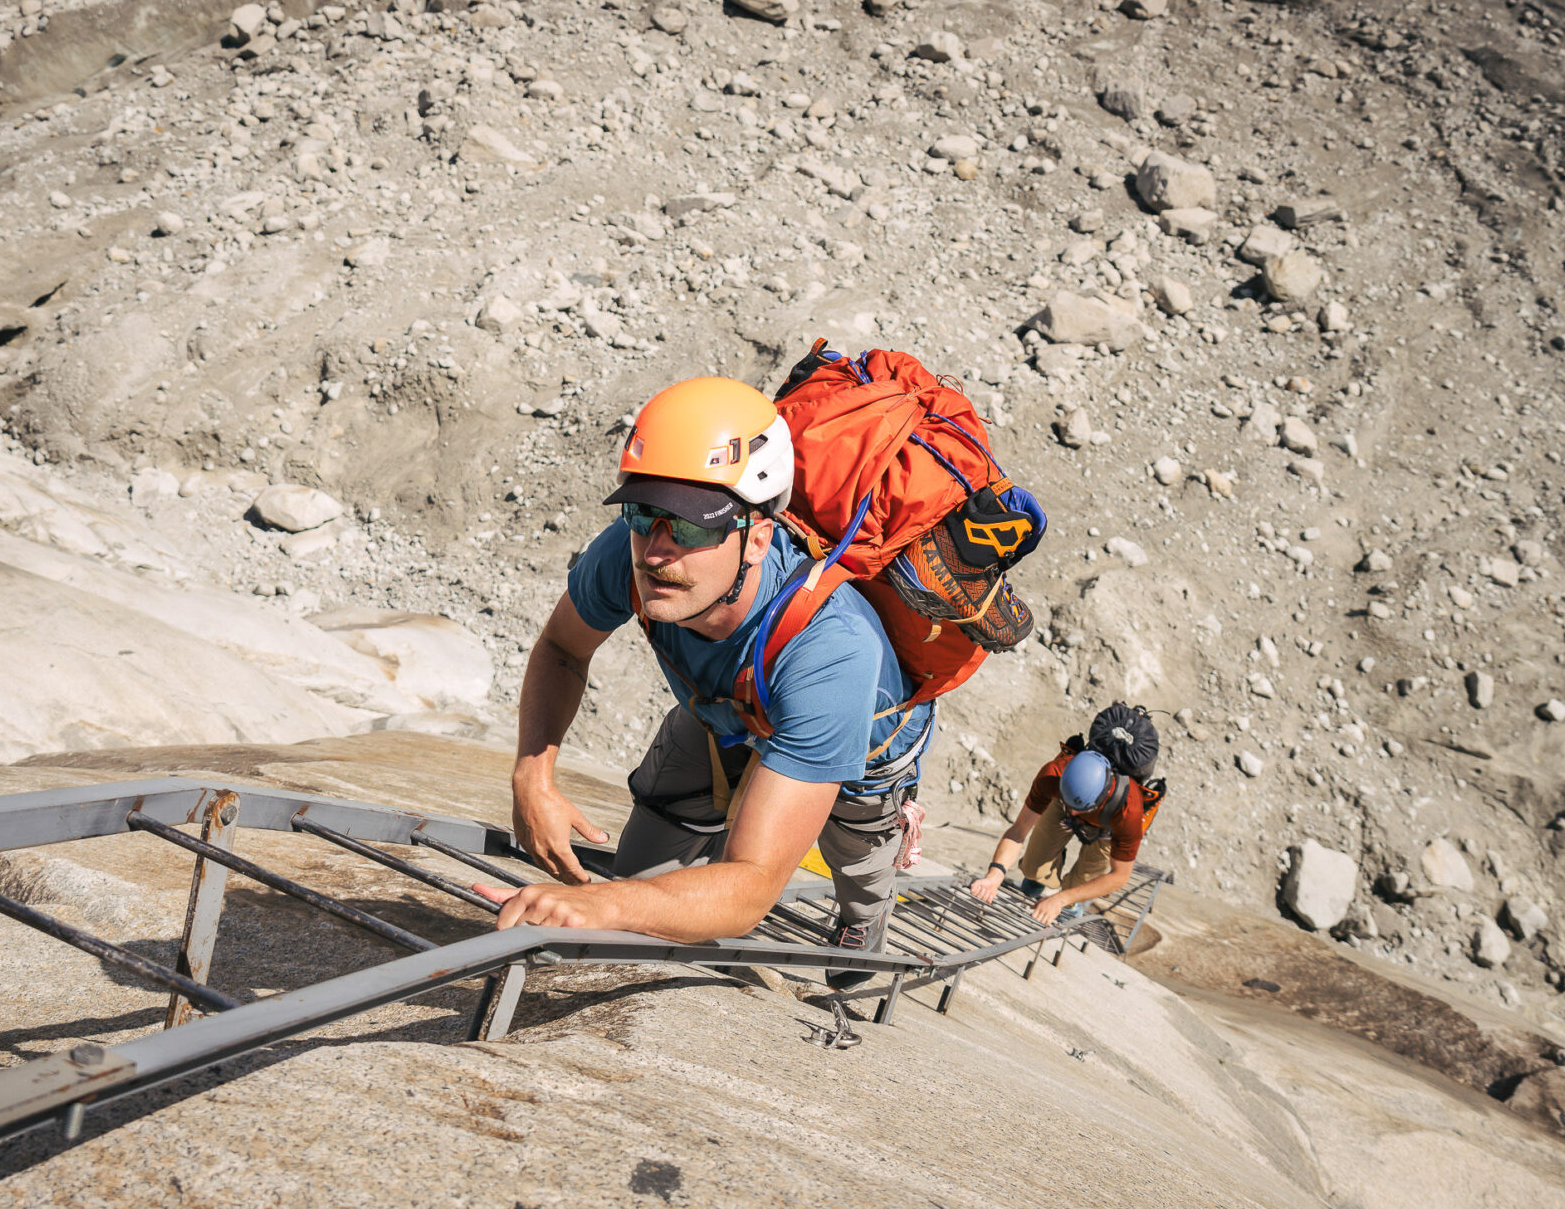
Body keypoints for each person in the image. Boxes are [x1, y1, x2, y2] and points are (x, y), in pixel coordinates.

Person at [476, 376, 932, 988]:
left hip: (861, 741)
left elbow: (750, 889)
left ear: (759, 537)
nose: (658, 552)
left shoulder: (832, 653)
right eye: (646, 514)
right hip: (729, 707)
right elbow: (561, 648)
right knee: (641, 885)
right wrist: (533, 778)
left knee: (857, 858)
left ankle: (863, 921)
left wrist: (605, 906)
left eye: (692, 528)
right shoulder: (631, 552)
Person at [967, 720, 1163, 926]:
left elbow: (1119, 877)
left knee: (1081, 883)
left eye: (1080, 809)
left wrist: (1061, 900)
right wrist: (994, 874)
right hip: (1062, 802)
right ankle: (1040, 877)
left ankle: (1069, 907)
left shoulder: (1128, 810)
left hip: (1108, 828)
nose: (1074, 812)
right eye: (1069, 804)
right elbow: (1019, 829)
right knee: (1034, 866)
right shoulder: (1052, 775)